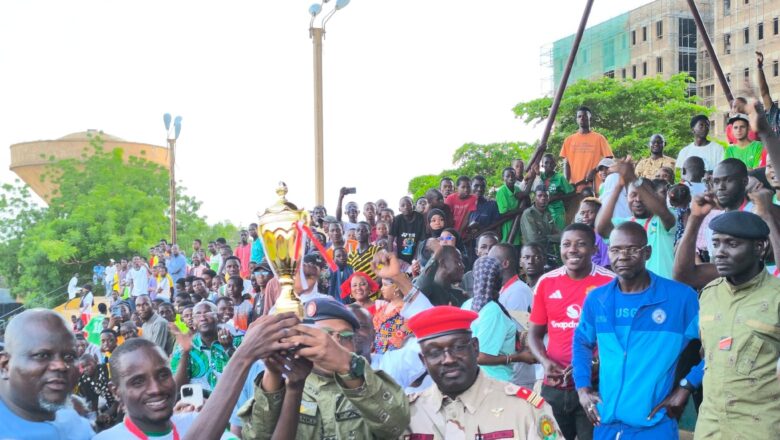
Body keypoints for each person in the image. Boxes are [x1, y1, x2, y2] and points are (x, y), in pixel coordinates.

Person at [572, 222, 700, 438]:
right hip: (606, 424)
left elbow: (716, 345)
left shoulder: (680, 298)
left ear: (647, 252)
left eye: (632, 249)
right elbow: (582, 341)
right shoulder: (597, 298)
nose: (622, 256)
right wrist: (583, 388)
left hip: (654, 425)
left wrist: (687, 386)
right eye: (615, 249)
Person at [239, 298, 410, 439]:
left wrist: (347, 365)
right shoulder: (284, 386)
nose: (335, 342)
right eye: (326, 335)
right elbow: (255, 436)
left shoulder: (367, 385)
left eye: (346, 336)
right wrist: (274, 375)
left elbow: (395, 426)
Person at [678, 211, 780, 438]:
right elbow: (709, 354)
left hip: (760, 428)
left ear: (760, 248)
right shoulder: (708, 295)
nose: (720, 253)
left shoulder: (776, 297)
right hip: (711, 427)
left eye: (732, 244)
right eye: (716, 244)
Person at [404, 305, 563, 439]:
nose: (448, 359)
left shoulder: (524, 408)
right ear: (423, 361)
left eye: (458, 347)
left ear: (475, 347)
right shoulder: (406, 417)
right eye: (434, 352)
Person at [528, 223, 615, 440]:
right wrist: (545, 362)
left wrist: (594, 363)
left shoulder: (610, 283)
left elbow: (619, 339)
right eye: (566, 244)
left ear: (594, 249)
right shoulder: (546, 282)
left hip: (595, 386)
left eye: (581, 244)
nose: (572, 250)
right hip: (555, 386)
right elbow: (534, 334)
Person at [93, 338, 234, 439]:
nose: (156, 389)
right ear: (116, 391)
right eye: (138, 382)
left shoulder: (198, 422)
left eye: (163, 375)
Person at [0, 309, 94, 440]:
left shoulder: (75, 422)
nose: (60, 366)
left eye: (69, 356)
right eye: (42, 355)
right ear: (5, 365)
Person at [597, 157, 677, 279]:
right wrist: (619, 186)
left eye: (642, 196)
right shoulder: (624, 224)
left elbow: (663, 212)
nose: (638, 200)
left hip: (665, 289)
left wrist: (633, 178)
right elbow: (601, 229)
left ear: (652, 196)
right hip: (636, 290)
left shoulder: (662, 219)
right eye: (633, 195)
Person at [170, 301, 240, 392]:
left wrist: (229, 348)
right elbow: (177, 387)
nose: (202, 318)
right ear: (194, 322)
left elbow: (248, 372)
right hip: (199, 404)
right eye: (197, 315)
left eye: (207, 313)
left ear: (218, 317)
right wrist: (185, 352)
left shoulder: (237, 339)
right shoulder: (184, 347)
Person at [560, 106, 613, 191]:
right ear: (576, 119)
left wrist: (594, 171)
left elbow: (609, 159)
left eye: (585, 116)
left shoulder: (599, 138)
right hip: (574, 187)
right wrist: (566, 184)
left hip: (594, 185)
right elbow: (566, 163)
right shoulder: (568, 140)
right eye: (579, 116)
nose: (582, 118)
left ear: (590, 118)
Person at [532, 153, 576, 230]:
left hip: (557, 212)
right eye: (546, 162)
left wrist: (557, 197)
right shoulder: (539, 176)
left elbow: (571, 193)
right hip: (543, 211)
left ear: (555, 164)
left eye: (551, 163)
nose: (549, 165)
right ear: (542, 165)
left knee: (558, 235)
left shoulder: (560, 178)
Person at [488, 243, 533, 313]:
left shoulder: (518, 292)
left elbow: (517, 323)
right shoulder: (506, 288)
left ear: (505, 264)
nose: (488, 265)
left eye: (491, 261)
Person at [520, 185, 562, 258]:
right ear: (534, 198)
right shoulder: (529, 214)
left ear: (548, 198)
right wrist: (550, 238)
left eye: (545, 196)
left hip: (549, 255)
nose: (543, 198)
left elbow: (560, 235)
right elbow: (534, 239)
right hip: (533, 256)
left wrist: (546, 237)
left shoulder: (548, 214)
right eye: (540, 196)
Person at [390, 196, 428, 264]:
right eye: (403, 205)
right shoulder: (397, 219)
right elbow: (391, 237)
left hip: (416, 253)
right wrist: (390, 256)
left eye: (408, 204)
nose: (406, 207)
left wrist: (415, 257)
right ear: (399, 209)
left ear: (413, 207)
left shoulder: (420, 218)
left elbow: (421, 240)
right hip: (400, 256)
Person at [578, 197, 610, 268]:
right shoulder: (584, 235)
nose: (585, 216)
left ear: (599, 214)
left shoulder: (602, 237)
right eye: (582, 213)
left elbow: (606, 266)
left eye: (590, 212)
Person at [496, 167, 523, 245]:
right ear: (503, 178)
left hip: (518, 225)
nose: (511, 178)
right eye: (507, 176)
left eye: (513, 176)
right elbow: (504, 212)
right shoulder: (501, 191)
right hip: (507, 227)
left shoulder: (518, 189)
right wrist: (520, 210)